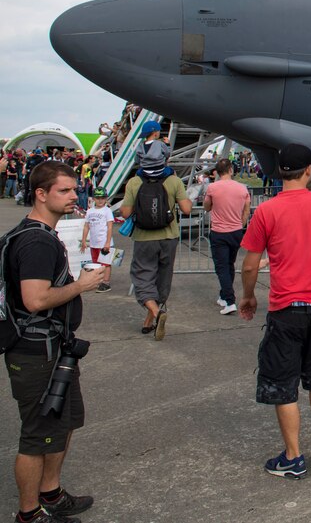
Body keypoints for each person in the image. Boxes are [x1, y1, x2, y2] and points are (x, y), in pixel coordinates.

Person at [239, 143, 311, 479]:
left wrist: (248, 296)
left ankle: (292, 456)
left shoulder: (266, 211)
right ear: (308, 171)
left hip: (286, 307)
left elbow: (249, 266)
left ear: (279, 171)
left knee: (283, 381)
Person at [4, 161, 107, 523]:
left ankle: (51, 492)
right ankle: (29, 514)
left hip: (52, 348)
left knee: (62, 424)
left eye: (74, 189)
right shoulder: (35, 240)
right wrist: (81, 285)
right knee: (37, 435)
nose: (74, 195)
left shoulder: (37, 234)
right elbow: (34, 299)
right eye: (64, 190)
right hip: (36, 353)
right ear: (41, 194)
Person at [120, 162, 192, 339]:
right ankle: (149, 321)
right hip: (169, 237)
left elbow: (125, 213)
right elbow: (187, 209)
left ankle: (156, 312)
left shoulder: (134, 182)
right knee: (163, 279)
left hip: (144, 238)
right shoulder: (174, 181)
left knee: (142, 277)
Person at [203, 158, 251, 316]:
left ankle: (230, 301)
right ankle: (224, 296)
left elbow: (207, 206)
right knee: (229, 264)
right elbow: (246, 210)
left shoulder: (212, 187)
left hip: (218, 231)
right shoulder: (242, 188)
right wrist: (241, 225)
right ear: (231, 170)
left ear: (217, 172)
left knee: (222, 267)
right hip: (236, 231)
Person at [78, 187, 114, 292]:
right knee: (96, 263)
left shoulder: (107, 211)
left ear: (106, 198)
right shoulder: (90, 211)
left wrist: (107, 242)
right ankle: (99, 281)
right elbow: (86, 226)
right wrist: (84, 240)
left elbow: (110, 227)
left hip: (104, 243)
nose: (100, 200)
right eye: (98, 198)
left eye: (102, 198)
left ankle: (106, 282)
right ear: (94, 198)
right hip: (94, 243)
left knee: (106, 263)